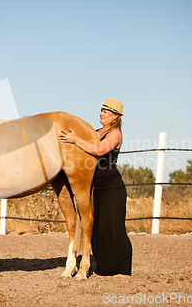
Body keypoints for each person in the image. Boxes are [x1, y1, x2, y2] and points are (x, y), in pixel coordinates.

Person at [60, 98, 132, 278]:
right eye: (101, 111)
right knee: (96, 229)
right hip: (94, 187)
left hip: (111, 188)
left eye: (105, 112)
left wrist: (76, 139)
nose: (101, 113)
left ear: (115, 116)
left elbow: (99, 151)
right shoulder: (96, 131)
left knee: (114, 228)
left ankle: (124, 270)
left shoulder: (115, 134)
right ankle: (106, 268)